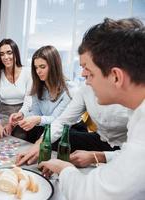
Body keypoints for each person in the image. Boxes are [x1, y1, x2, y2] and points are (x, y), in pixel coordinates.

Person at [38, 18, 145, 200]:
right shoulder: (138, 111)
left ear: (116, 77)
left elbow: (91, 193)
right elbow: (130, 157)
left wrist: (65, 169)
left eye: (90, 72)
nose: (84, 77)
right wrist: (101, 156)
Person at [9, 45, 73, 143]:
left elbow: (57, 120)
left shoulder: (68, 90)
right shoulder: (38, 88)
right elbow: (36, 113)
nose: (38, 71)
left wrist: (37, 119)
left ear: (54, 66)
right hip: (44, 127)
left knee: (40, 132)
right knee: (22, 130)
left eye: (42, 67)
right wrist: (22, 116)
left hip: (64, 130)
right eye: (36, 67)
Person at [0, 38, 32, 139]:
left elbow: (29, 101)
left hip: (22, 113)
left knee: (20, 138)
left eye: (9, 52)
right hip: (3, 113)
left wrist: (17, 118)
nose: (6, 57)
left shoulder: (28, 73)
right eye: (2, 54)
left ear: (16, 53)